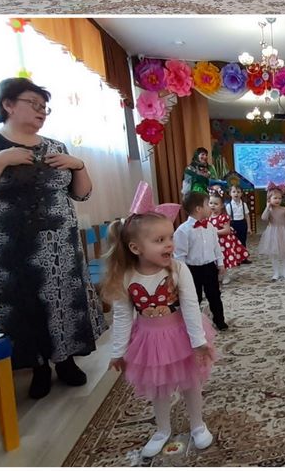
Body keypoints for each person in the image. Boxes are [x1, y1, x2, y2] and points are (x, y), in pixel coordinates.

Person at [0, 78, 104, 399]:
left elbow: (82, 194)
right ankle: (38, 368)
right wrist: (1, 160)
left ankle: (66, 361)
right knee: (25, 306)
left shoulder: (55, 146)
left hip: (61, 248)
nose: (41, 112)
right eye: (34, 104)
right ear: (8, 104)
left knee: (64, 302)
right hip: (13, 251)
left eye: (44, 107)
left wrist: (79, 165)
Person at [105, 210, 215, 457]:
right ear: (136, 248)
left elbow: (190, 306)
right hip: (149, 341)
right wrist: (118, 352)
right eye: (159, 240)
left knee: (191, 382)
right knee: (158, 387)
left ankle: (198, 425)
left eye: (170, 237)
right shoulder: (126, 276)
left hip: (180, 336)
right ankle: (162, 429)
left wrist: (198, 342)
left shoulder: (178, 269)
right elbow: (122, 316)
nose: (169, 244)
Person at [173, 192, 228, 331]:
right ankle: (191, 324)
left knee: (214, 295)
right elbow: (179, 256)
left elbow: (216, 247)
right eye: (207, 204)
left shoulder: (210, 227)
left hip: (209, 267)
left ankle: (219, 320)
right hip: (192, 270)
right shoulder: (183, 231)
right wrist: (181, 275)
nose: (210, 207)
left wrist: (220, 263)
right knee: (193, 298)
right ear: (198, 209)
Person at [258, 183, 285, 280]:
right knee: (274, 255)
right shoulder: (269, 210)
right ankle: (276, 272)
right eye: (275, 198)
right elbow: (264, 218)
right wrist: (267, 207)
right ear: (269, 199)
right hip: (272, 233)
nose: (277, 200)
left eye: (279, 198)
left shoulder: (284, 209)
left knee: (284, 254)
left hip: (284, 233)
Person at [208, 191, 248, 284]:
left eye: (216, 204)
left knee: (223, 258)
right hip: (213, 242)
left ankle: (226, 275)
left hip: (223, 242)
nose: (213, 205)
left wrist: (214, 232)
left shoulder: (223, 217)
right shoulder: (208, 217)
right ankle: (219, 274)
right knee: (215, 259)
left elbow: (227, 230)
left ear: (222, 205)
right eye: (211, 203)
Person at [226, 185, 252, 260]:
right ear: (230, 193)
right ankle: (235, 258)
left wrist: (249, 228)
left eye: (238, 192)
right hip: (233, 224)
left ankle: (244, 258)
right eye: (234, 192)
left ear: (241, 194)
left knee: (243, 241)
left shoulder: (244, 204)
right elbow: (227, 218)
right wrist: (228, 228)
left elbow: (247, 216)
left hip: (242, 224)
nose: (236, 194)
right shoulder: (229, 206)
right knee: (234, 242)